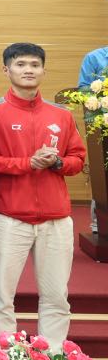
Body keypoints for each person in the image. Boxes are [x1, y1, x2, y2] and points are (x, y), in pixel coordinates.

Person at [0, 43, 85, 351]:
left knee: (56, 296)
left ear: (43, 70)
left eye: (34, 65)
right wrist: (27, 163)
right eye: (20, 64)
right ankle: (3, 359)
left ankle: (52, 359)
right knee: (1, 296)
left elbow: (78, 159)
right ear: (6, 70)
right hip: (9, 218)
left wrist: (56, 163)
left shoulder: (61, 115)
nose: (28, 70)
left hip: (56, 221)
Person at [77, 47, 106, 237]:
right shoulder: (95, 57)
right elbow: (83, 91)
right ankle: (101, 223)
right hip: (102, 127)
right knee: (104, 173)